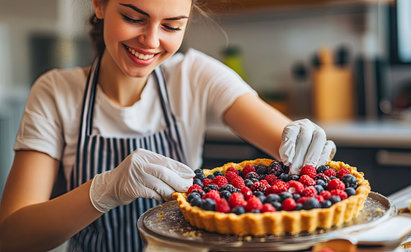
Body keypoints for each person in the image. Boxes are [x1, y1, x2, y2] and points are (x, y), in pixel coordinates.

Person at [0, 0, 336, 251]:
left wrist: (303, 139)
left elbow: (283, 139)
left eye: (172, 26)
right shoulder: (56, 92)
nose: (150, 40)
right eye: (134, 18)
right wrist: (104, 190)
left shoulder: (195, 75)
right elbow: (12, 237)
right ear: (100, 4)